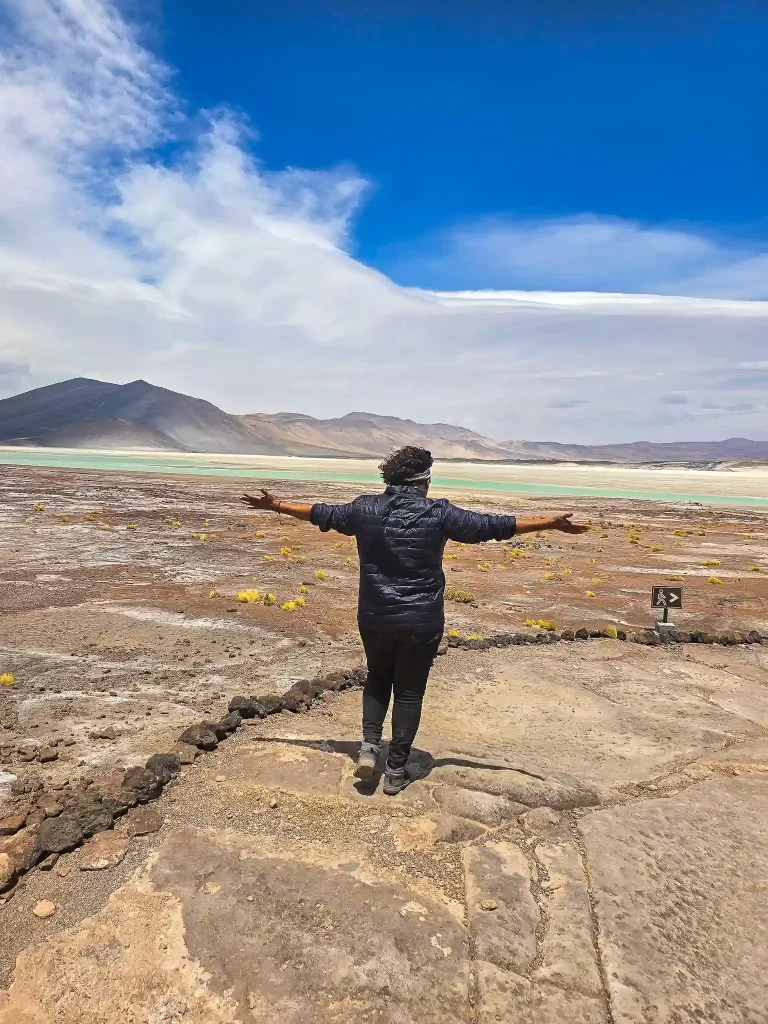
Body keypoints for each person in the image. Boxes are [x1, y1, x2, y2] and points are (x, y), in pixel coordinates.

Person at [240, 445, 588, 795]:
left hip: (374, 615)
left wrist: (277, 506)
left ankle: (369, 748)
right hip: (420, 620)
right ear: (425, 481)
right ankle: (395, 771)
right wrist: (549, 523)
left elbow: (321, 514)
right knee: (409, 691)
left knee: (378, 676)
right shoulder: (439, 513)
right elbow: (492, 527)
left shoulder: (364, 509)